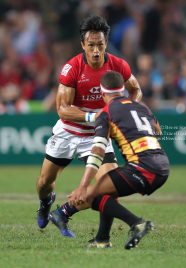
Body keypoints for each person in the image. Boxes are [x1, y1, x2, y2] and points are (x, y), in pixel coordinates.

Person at [36, 15, 142, 243]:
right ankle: (46, 203)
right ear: (83, 44)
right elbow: (62, 109)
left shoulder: (118, 65)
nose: (96, 50)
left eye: (100, 45)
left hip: (97, 135)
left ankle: (101, 238)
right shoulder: (72, 68)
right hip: (68, 131)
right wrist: (96, 115)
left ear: (106, 44)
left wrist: (129, 109)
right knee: (44, 183)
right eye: (91, 45)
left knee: (110, 188)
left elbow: (135, 90)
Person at [49, 71, 169, 249]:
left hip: (142, 168)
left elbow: (97, 151)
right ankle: (101, 239)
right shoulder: (142, 107)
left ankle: (137, 224)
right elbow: (157, 130)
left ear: (103, 94)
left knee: (93, 195)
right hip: (162, 166)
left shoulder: (106, 113)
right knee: (104, 192)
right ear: (123, 91)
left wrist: (83, 185)